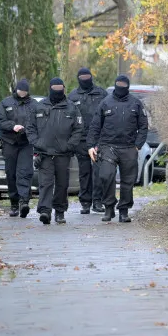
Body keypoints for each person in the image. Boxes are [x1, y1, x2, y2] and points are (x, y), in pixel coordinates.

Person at [87, 75, 148, 223]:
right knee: (106, 176)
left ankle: (124, 211)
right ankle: (108, 208)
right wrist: (90, 146)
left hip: (129, 147)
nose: (121, 86)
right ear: (115, 85)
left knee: (128, 181)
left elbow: (143, 126)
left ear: (127, 86)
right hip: (108, 146)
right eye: (119, 84)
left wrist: (137, 145)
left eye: (123, 84)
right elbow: (95, 126)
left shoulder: (136, 104)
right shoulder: (105, 103)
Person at [26, 78, 83, 225]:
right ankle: (45, 211)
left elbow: (78, 129)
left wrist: (70, 145)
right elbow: (30, 127)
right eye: (54, 88)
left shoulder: (72, 108)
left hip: (63, 154)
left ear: (64, 89)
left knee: (62, 184)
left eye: (60, 88)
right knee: (45, 183)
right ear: (50, 88)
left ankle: (60, 212)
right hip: (44, 153)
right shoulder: (39, 107)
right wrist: (37, 143)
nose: (57, 91)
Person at [68, 67, 108, 214]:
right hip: (81, 140)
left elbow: (108, 114)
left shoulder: (101, 93)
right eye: (82, 77)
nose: (85, 79)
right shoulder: (73, 96)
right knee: (84, 172)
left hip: (98, 139)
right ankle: (85, 202)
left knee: (98, 171)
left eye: (87, 76)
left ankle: (97, 201)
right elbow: (69, 118)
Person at [0, 79, 36, 217]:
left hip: (26, 143)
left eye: (25, 92)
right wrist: (12, 126)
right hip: (9, 142)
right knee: (11, 173)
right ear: (16, 90)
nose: (22, 94)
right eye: (20, 91)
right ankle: (14, 203)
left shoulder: (34, 104)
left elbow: (40, 121)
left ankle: (24, 201)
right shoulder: (6, 103)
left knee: (24, 172)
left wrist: (28, 130)